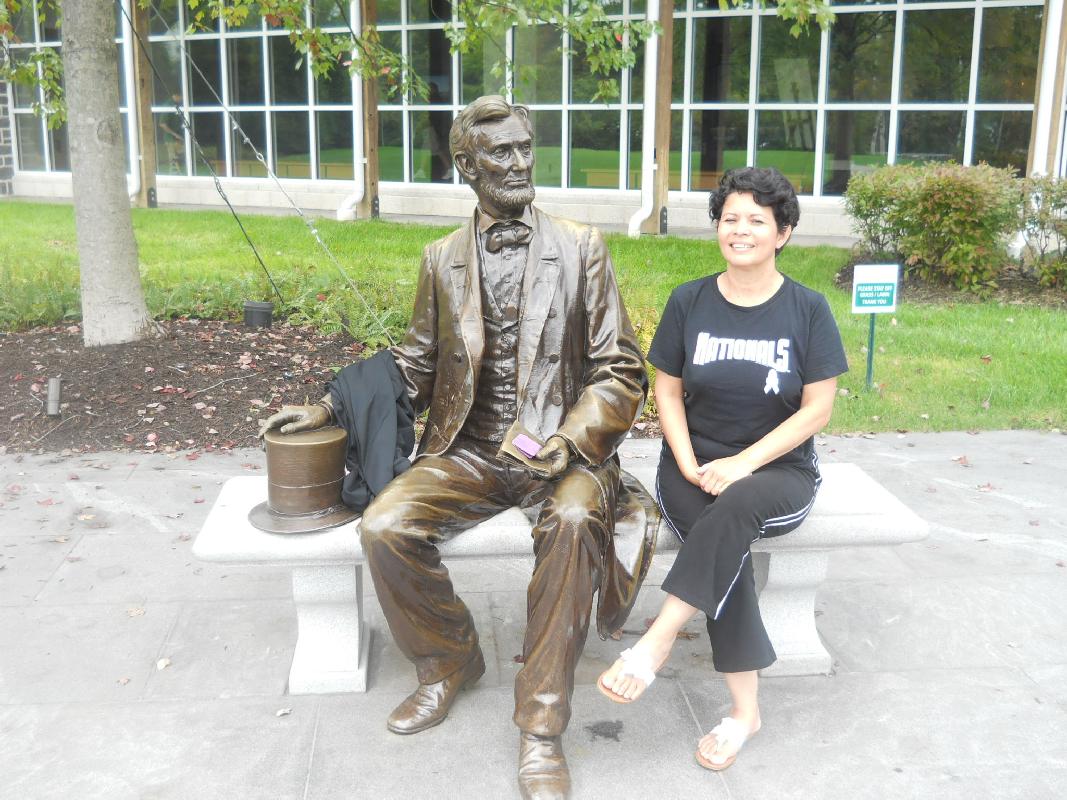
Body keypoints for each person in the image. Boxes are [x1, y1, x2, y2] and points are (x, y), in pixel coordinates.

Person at [259, 95, 654, 800]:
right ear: (465, 164)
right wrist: (326, 404)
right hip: (470, 450)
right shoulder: (440, 258)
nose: (519, 161)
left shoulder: (580, 247)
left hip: (560, 451)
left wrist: (570, 437)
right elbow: (414, 364)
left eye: (525, 146)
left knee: (569, 523)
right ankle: (448, 662)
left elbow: (619, 367)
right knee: (384, 524)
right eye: (500, 152)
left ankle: (540, 728)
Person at [597, 167, 848, 772]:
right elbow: (669, 391)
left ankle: (657, 638)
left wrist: (742, 464)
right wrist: (687, 461)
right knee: (722, 536)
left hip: (777, 471)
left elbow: (818, 409)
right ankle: (744, 713)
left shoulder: (808, 310)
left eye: (757, 220)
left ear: (782, 233)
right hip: (691, 466)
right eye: (730, 218)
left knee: (731, 513)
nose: (740, 231)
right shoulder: (690, 300)